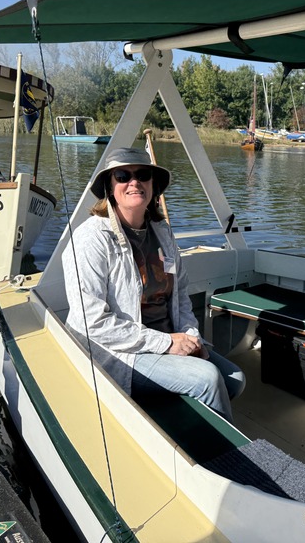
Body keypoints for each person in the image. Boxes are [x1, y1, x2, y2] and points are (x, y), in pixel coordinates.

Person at [62, 147, 245, 422]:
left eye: (142, 175)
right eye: (123, 176)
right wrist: (166, 343)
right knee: (207, 378)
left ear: (152, 185)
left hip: (169, 337)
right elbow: (92, 324)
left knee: (235, 379)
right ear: (110, 188)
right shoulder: (91, 239)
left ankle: (187, 423)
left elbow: (180, 292)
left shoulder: (162, 232)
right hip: (120, 351)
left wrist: (191, 337)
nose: (134, 182)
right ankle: (217, 449)